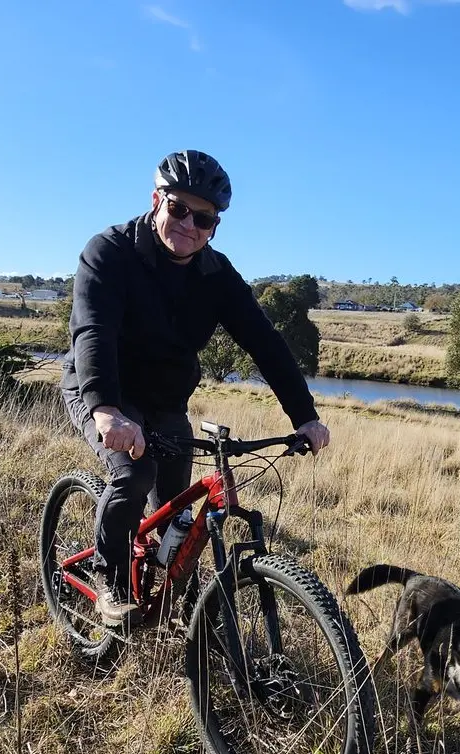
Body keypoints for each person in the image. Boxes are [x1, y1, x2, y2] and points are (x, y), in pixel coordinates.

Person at [59, 149, 330, 623]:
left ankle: (169, 603)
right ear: (156, 200)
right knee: (133, 475)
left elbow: (265, 343)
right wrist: (105, 408)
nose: (190, 225)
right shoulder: (110, 251)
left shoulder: (215, 274)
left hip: (164, 400)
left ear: (214, 227)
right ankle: (109, 581)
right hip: (103, 388)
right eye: (179, 208)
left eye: (204, 219)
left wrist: (304, 415)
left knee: (173, 514)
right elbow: (93, 331)